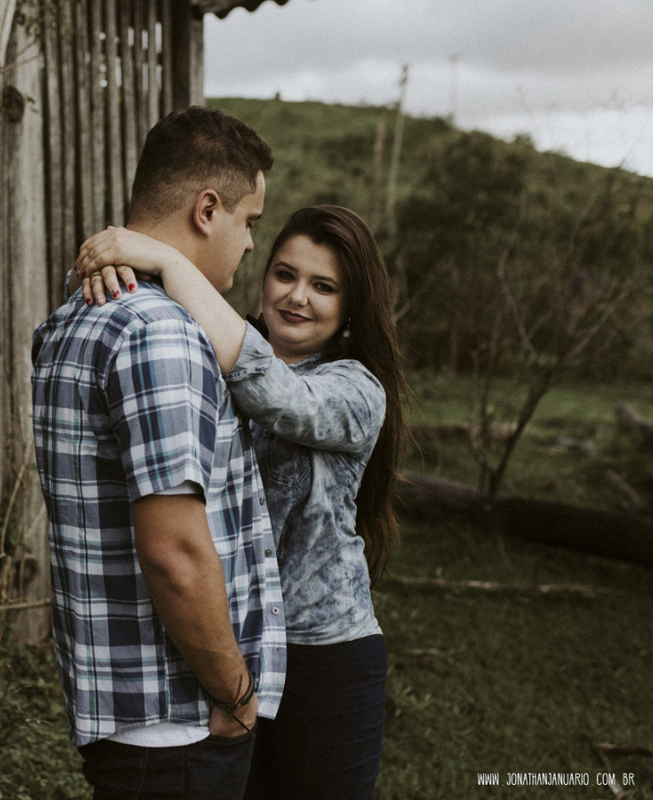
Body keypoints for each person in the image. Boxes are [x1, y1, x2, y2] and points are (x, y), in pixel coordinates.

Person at [76, 204, 413, 799]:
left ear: (351, 308)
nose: (297, 296)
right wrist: (117, 268)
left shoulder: (358, 389)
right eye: (285, 274)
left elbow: (279, 395)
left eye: (324, 286)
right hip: (232, 651)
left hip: (325, 656)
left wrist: (169, 260)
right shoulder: (206, 349)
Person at [30, 106, 287, 799]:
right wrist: (236, 694)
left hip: (125, 714)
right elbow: (173, 552)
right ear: (208, 209)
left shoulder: (72, 317)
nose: (249, 246)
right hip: (178, 725)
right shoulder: (160, 333)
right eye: (249, 222)